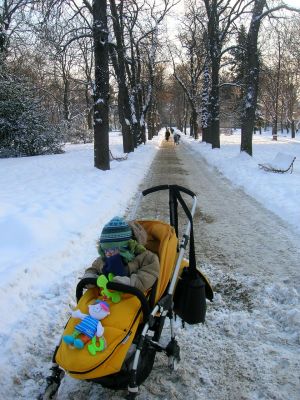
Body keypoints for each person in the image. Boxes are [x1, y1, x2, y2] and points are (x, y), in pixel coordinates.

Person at [82, 216, 160, 293]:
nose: (108, 253)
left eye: (112, 249)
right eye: (105, 250)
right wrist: (89, 277)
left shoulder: (146, 258)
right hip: (105, 297)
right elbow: (93, 269)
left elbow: (147, 276)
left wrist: (129, 282)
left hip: (131, 297)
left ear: (126, 247)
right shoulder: (103, 259)